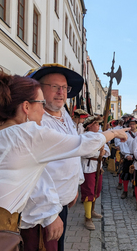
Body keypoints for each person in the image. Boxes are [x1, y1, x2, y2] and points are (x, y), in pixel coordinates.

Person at [0, 69, 129, 250]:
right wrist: (114, 132)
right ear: (26, 107)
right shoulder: (28, 134)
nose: (43, 108)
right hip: (0, 235)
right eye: (41, 102)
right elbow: (81, 144)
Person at [20, 64, 89, 251]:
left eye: (65, 88)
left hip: (62, 204)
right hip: (42, 209)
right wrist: (49, 214)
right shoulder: (36, 121)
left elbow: (74, 152)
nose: (61, 92)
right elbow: (33, 171)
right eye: (55, 87)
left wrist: (76, 185)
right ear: (40, 89)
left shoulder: (64, 114)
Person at [80, 115, 110, 230]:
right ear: (89, 126)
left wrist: (102, 152)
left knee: (97, 190)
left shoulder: (100, 136)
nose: (98, 126)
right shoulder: (84, 137)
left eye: (99, 124)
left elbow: (107, 151)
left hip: (98, 167)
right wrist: (99, 153)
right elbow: (85, 152)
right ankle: (87, 218)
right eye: (96, 124)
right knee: (89, 192)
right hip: (88, 168)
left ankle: (91, 211)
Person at [119, 118, 137, 199]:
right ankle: (125, 191)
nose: (132, 125)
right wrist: (127, 154)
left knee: (136, 175)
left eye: (133, 124)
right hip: (128, 157)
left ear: (136, 125)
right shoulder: (125, 134)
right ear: (128, 125)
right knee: (126, 174)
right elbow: (123, 145)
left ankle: (135, 190)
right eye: (130, 124)